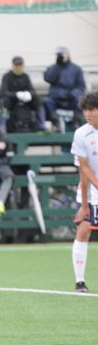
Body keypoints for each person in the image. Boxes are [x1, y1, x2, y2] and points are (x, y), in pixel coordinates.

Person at [69, 92, 98, 293]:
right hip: (91, 190)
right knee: (83, 229)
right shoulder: (81, 134)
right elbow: (83, 169)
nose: (88, 114)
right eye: (85, 110)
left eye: (92, 110)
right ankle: (80, 282)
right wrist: (85, 205)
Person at [43, 46, 86, 130]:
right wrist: (57, 66)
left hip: (71, 99)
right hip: (56, 99)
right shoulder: (53, 67)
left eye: (61, 54)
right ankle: (56, 123)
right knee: (47, 102)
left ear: (68, 55)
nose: (60, 56)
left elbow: (81, 86)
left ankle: (76, 122)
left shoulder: (76, 69)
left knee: (79, 101)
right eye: (58, 55)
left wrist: (73, 94)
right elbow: (48, 78)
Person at [0, 56, 45, 133]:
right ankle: (3, 126)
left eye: (20, 65)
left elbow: (32, 90)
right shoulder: (7, 77)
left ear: (23, 65)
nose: (18, 67)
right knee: (4, 102)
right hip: (11, 103)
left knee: (38, 100)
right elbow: (3, 92)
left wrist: (28, 94)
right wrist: (16, 95)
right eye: (16, 65)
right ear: (13, 65)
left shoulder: (26, 77)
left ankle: (42, 125)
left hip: (25, 102)